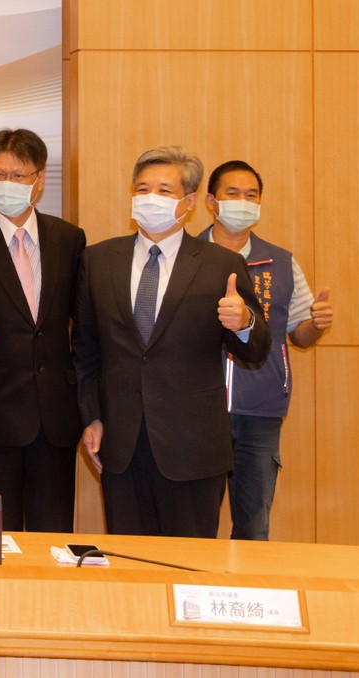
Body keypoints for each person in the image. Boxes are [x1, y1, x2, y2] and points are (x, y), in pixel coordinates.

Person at [74, 146, 270, 538]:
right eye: (143, 189)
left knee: (189, 563)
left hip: (193, 448)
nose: (151, 198)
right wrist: (92, 416)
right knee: (129, 561)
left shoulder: (221, 264)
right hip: (122, 444)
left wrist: (245, 322)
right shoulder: (98, 260)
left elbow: (255, 350)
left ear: (190, 202)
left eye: (164, 191)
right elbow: (85, 350)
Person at [0, 129, 86, 532]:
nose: (7, 183)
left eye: (19, 175)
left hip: (55, 417)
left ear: (39, 179)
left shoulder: (69, 239)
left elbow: (84, 324)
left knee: (52, 539)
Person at [200, 159, 334, 541]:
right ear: (211, 201)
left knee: (254, 526)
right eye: (233, 194)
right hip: (197, 410)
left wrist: (316, 324)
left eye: (251, 195)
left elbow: (299, 335)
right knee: (195, 525)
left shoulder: (281, 262)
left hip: (260, 410)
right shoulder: (187, 258)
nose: (243, 202)